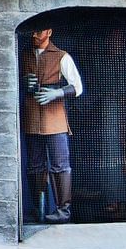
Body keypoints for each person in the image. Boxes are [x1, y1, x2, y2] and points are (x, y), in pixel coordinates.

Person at [22, 25, 85, 223]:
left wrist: (57, 92)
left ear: (49, 32)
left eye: (38, 31)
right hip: (32, 115)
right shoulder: (24, 55)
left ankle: (63, 211)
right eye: (33, 31)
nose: (34, 35)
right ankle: (38, 208)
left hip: (55, 117)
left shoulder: (61, 56)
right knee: (34, 166)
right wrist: (24, 83)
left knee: (60, 165)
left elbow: (77, 86)